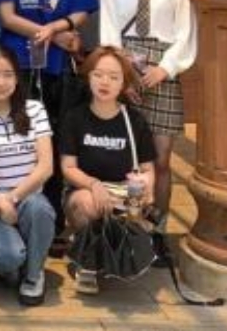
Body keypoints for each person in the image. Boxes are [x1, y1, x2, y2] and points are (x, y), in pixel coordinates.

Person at [0, 0, 96, 228]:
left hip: (55, 68)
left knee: (52, 138)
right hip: (16, 66)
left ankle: (51, 219)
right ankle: (10, 214)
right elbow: (7, 16)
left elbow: (82, 8)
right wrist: (50, 33)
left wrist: (59, 26)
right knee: (14, 138)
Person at [99, 0, 196, 232]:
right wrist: (122, 77)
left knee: (162, 159)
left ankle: (158, 229)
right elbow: (109, 31)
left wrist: (165, 69)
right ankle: (127, 227)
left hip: (163, 72)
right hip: (124, 71)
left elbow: (185, 31)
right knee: (127, 158)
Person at [60, 46, 156, 295]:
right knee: (87, 203)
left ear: (124, 83)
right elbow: (68, 167)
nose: (105, 82)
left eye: (114, 77)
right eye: (98, 74)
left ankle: (117, 255)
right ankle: (88, 263)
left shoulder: (135, 120)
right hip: (85, 190)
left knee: (134, 215)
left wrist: (147, 189)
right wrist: (94, 185)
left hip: (126, 193)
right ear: (88, 77)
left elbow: (148, 168)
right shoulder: (75, 118)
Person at [0, 46, 55, 306]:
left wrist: (13, 198)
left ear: (17, 78)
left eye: (8, 74)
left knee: (40, 208)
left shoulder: (35, 110)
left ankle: (34, 275)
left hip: (27, 201)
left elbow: (46, 167)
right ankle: (11, 264)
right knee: (9, 258)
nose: (1, 82)